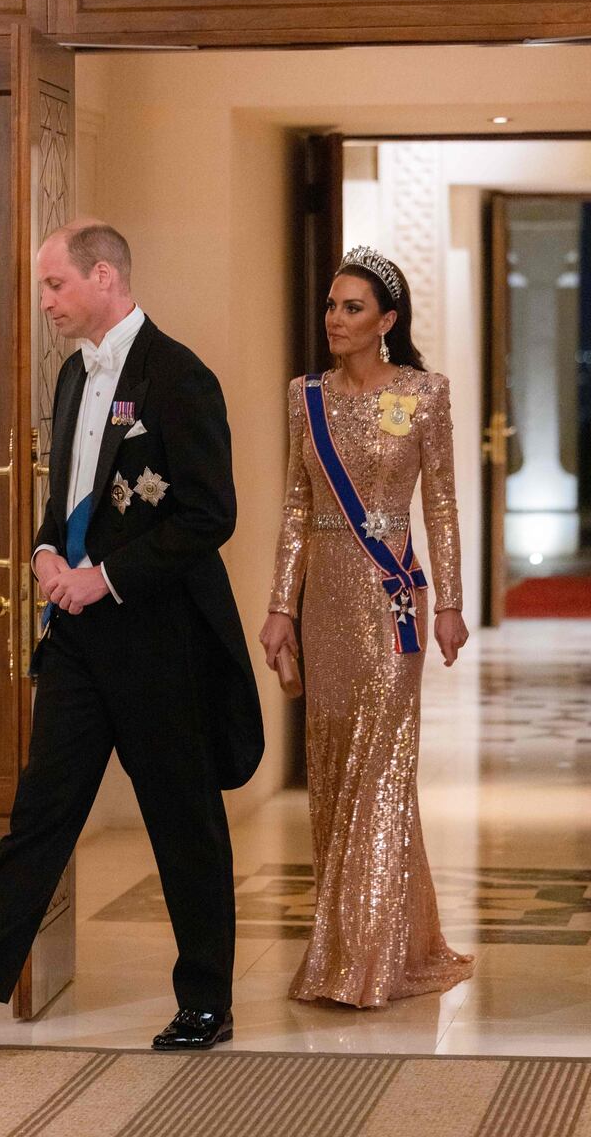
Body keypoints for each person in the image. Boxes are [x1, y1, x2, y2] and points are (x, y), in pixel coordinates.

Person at [0, 221, 264, 1050]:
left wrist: (107, 577)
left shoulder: (180, 377)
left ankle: (206, 1005)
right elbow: (66, 493)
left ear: (104, 277)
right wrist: (47, 551)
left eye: (54, 284)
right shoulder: (74, 376)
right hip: (80, 640)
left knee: (180, 820)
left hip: (160, 640)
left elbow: (209, 516)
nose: (44, 301)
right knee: (41, 811)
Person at [259, 246, 474, 1009]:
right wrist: (281, 605)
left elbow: (441, 505)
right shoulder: (304, 397)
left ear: (386, 321)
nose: (336, 320)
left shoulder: (423, 394)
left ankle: (359, 965)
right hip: (325, 607)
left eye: (353, 308)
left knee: (380, 775)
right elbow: (292, 508)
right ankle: (390, 940)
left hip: (393, 603)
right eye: (330, 306)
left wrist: (449, 601)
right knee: (333, 771)